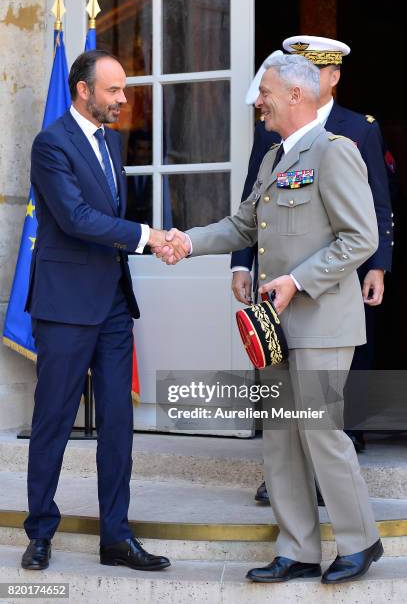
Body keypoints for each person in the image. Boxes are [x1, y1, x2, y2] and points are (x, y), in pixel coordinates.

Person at [156, 54, 383, 584]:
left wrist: (297, 280)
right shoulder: (275, 157)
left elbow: (361, 239)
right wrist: (187, 241)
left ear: (296, 96)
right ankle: (298, 548)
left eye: (266, 93)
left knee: (321, 433)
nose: (259, 102)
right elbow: (242, 225)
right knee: (281, 438)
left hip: (322, 321)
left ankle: (360, 541)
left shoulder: (334, 152)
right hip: (276, 327)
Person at [21, 49, 187, 572]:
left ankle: (116, 537)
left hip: (114, 305)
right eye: (113, 90)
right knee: (53, 422)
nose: (123, 99)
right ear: (83, 91)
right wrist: (148, 236)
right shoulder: (51, 144)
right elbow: (75, 218)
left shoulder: (111, 143)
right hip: (66, 307)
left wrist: (152, 239)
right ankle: (40, 532)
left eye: (123, 89)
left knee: (118, 425)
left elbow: (109, 216)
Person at [232, 36, 394, 506]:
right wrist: (233, 258)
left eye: (315, 68)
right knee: (282, 428)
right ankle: (296, 543)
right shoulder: (273, 143)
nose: (261, 102)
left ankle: (349, 525)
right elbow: (250, 212)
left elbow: (372, 213)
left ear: (329, 77)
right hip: (275, 308)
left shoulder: (352, 135)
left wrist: (378, 266)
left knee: (324, 421)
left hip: (323, 303)